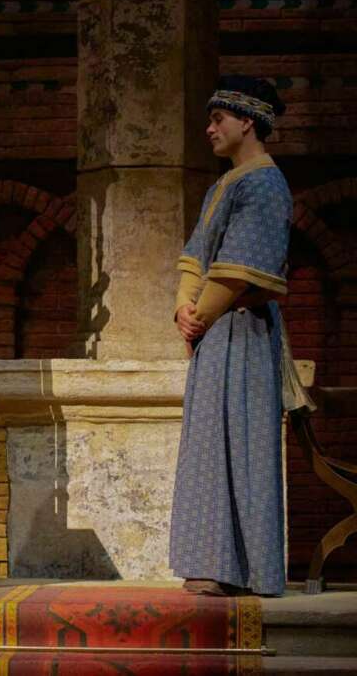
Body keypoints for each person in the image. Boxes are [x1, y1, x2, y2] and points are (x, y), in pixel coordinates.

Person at [169, 76, 296, 597]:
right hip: (214, 332)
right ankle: (212, 562)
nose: (209, 128)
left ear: (247, 121)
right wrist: (183, 306)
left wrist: (200, 314)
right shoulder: (222, 184)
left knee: (240, 441)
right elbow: (196, 255)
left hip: (241, 328)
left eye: (218, 119)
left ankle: (245, 568)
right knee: (208, 443)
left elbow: (242, 267)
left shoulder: (266, 183)